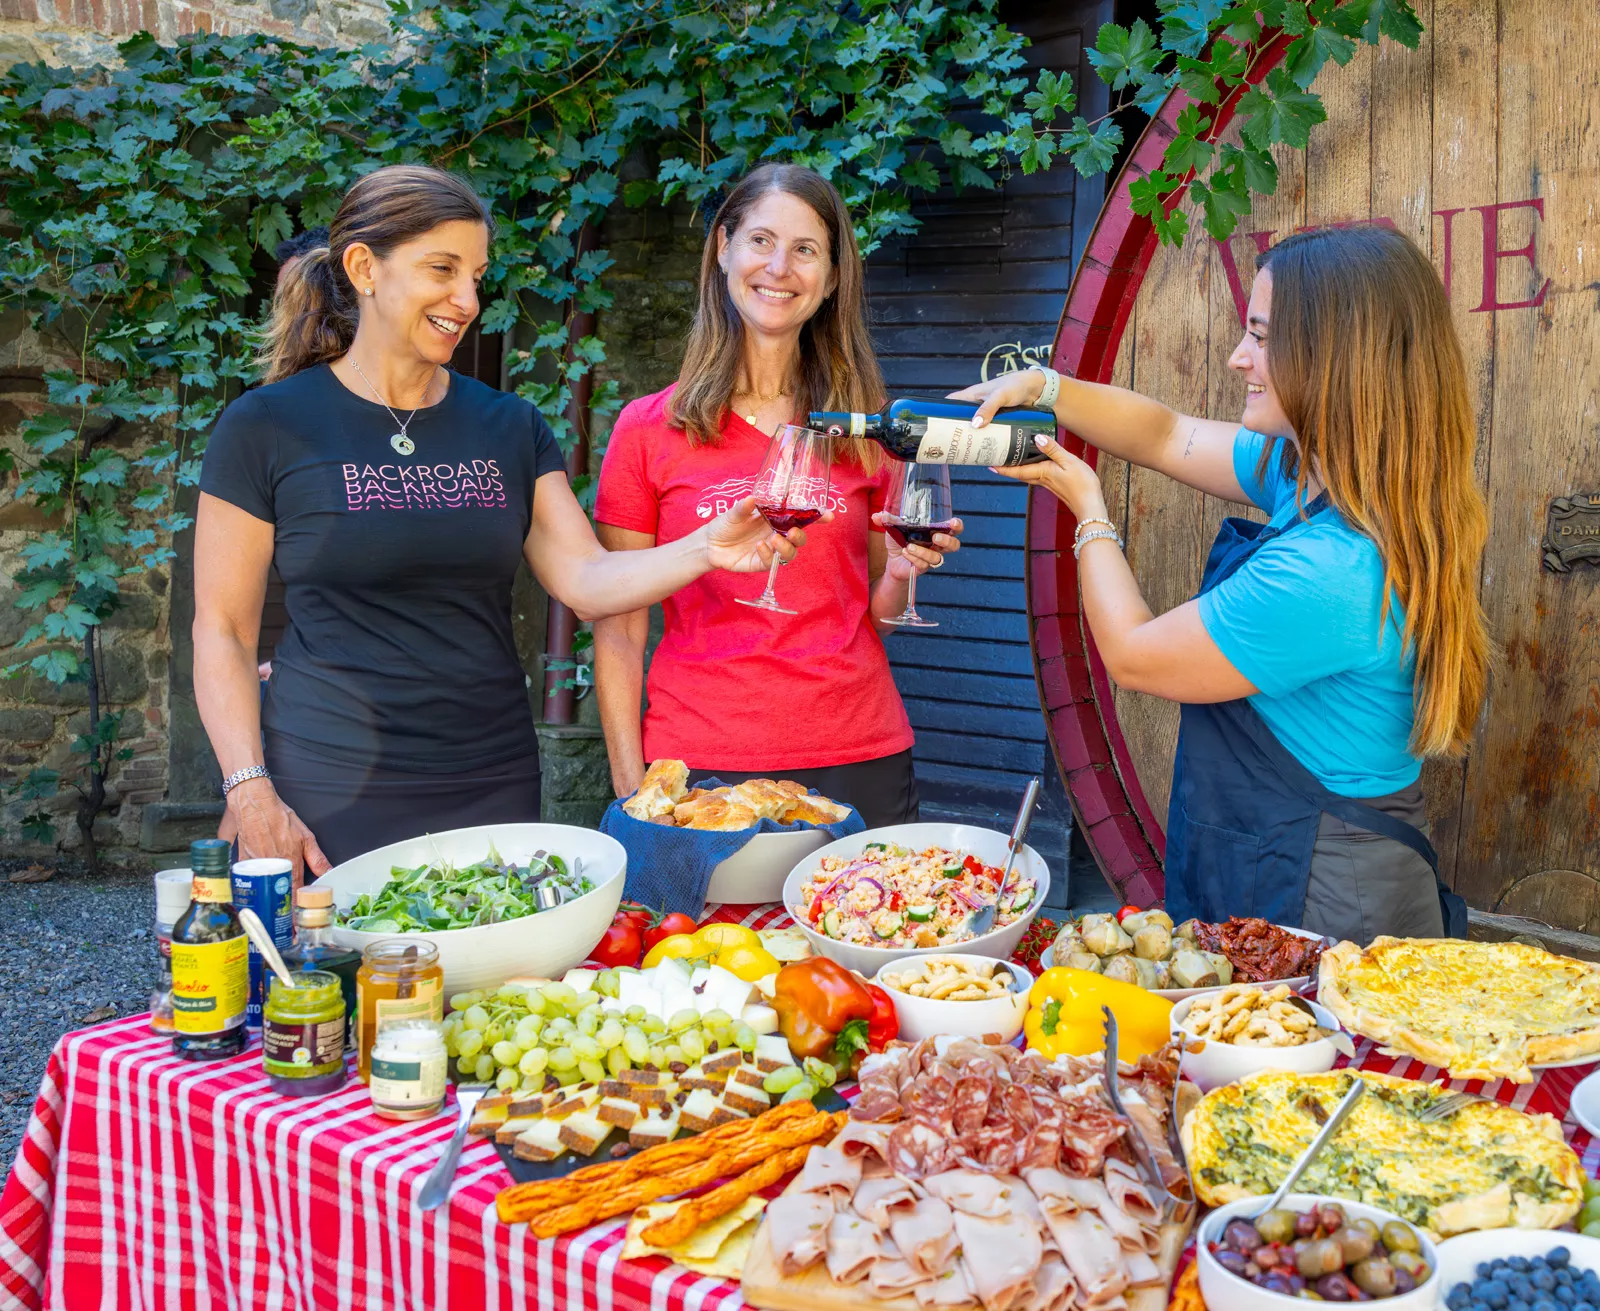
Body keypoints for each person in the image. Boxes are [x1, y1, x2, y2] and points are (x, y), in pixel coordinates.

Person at [194, 165, 810, 875]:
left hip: (488, 778)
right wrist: (250, 790)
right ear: (365, 267)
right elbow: (223, 628)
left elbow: (585, 578)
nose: (468, 300)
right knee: (336, 985)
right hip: (328, 781)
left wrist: (707, 546)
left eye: (477, 276)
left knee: (491, 986)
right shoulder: (267, 425)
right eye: (443, 270)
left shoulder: (507, 425)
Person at [953, 225, 1488, 943]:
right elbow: (1166, 434)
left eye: (1263, 338)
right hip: (1290, 854)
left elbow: (1135, 654)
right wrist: (1048, 388)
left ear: (1335, 356)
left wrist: (1086, 508)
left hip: (1329, 892)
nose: (1240, 358)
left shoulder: (1331, 570)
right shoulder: (1317, 475)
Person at [592, 164, 963, 828]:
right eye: (761, 240)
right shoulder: (648, 429)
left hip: (858, 754)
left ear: (832, 278)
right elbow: (618, 626)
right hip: (700, 762)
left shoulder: (867, 424)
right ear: (724, 249)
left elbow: (874, 613)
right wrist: (630, 789)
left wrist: (904, 574)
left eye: (806, 250)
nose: (779, 267)